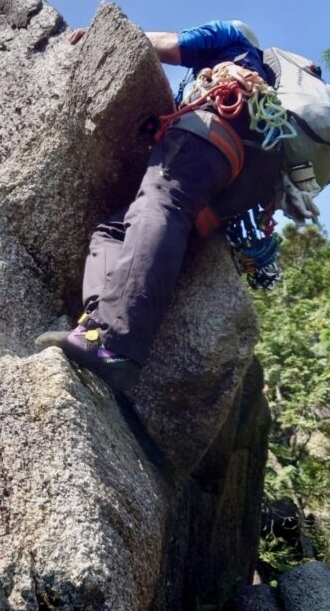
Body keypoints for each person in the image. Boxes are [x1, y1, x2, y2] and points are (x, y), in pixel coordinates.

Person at [37, 20, 283, 391]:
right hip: (237, 181)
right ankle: (93, 325)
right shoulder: (267, 89)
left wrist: (107, 36)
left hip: (208, 134)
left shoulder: (229, 37)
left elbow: (166, 44)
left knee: (159, 207)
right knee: (114, 229)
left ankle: (111, 339)